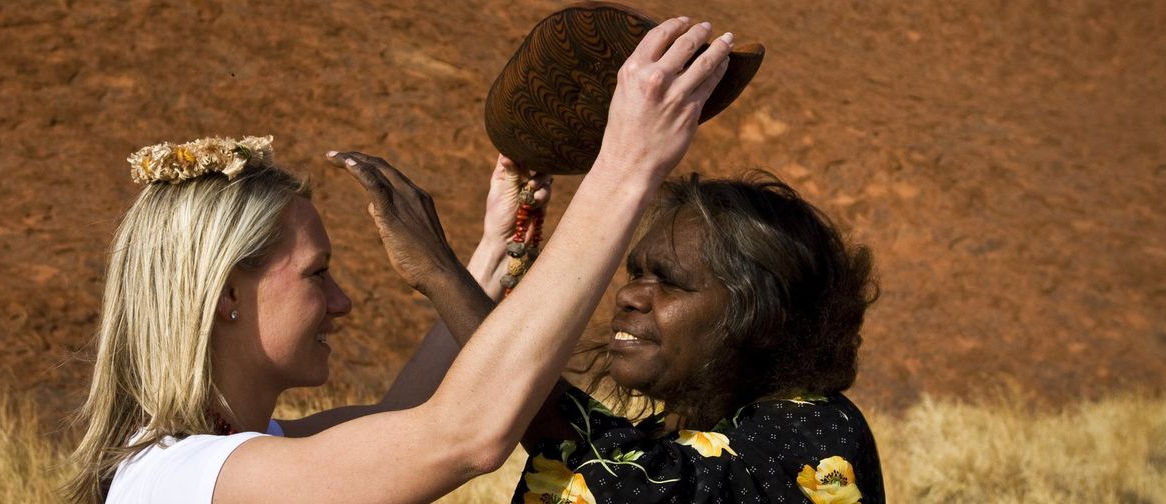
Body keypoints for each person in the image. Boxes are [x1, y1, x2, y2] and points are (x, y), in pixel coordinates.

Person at [62, 17, 739, 503]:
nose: (341, 302)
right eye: (316, 273)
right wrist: (626, 167)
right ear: (225, 297)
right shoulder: (189, 479)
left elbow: (412, 413)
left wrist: (497, 250)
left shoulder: (223, 452)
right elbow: (463, 434)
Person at [509, 172, 885, 503]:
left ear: (763, 319)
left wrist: (448, 273)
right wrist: (497, 252)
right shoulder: (674, 434)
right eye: (636, 274)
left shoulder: (817, 432)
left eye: (669, 280)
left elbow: (632, 483)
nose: (629, 295)